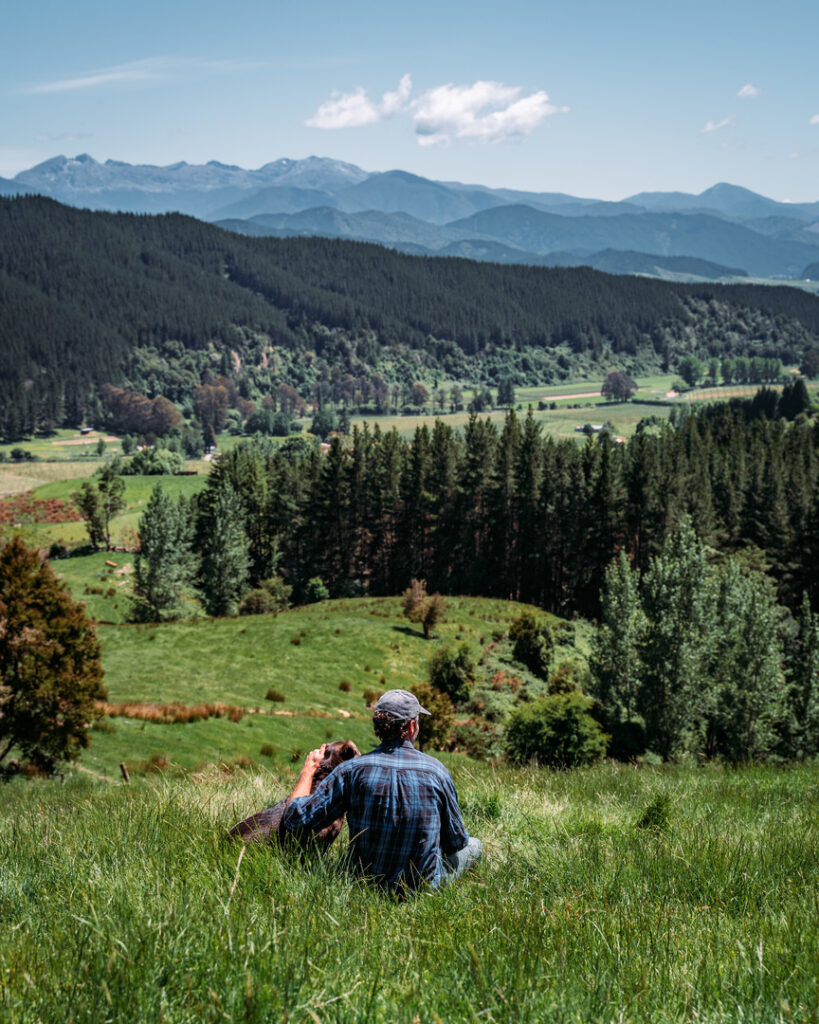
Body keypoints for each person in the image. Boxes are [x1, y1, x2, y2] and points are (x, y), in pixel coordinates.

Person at [281, 689, 482, 894]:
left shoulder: (351, 771)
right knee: (474, 846)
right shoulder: (437, 771)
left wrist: (308, 771)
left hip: (364, 885)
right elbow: (456, 842)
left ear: (378, 726)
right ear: (412, 726)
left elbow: (294, 820)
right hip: (420, 890)